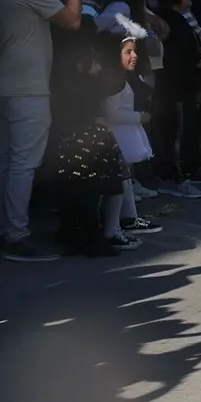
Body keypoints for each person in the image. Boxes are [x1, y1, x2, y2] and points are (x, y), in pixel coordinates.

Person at [0, 0, 82, 262]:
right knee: (23, 163)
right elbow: (72, 21)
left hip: (2, 84)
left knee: (4, 160)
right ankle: (16, 235)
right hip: (28, 87)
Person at [46, 17, 128, 257]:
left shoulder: (57, 58)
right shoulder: (84, 63)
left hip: (65, 134)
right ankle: (92, 236)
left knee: (71, 189)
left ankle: (71, 233)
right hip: (88, 135)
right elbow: (93, 100)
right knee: (91, 190)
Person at [100, 18, 161, 250]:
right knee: (118, 183)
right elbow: (112, 112)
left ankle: (127, 220)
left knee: (124, 180)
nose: (133, 56)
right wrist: (139, 117)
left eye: (134, 52)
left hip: (123, 133)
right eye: (128, 52)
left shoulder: (121, 78)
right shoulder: (113, 80)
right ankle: (116, 227)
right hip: (117, 134)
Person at [151, 0, 201, 199]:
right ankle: (173, 178)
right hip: (174, 88)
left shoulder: (178, 18)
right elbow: (186, 54)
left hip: (179, 87)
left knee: (175, 132)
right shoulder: (171, 20)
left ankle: (174, 175)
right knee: (174, 134)